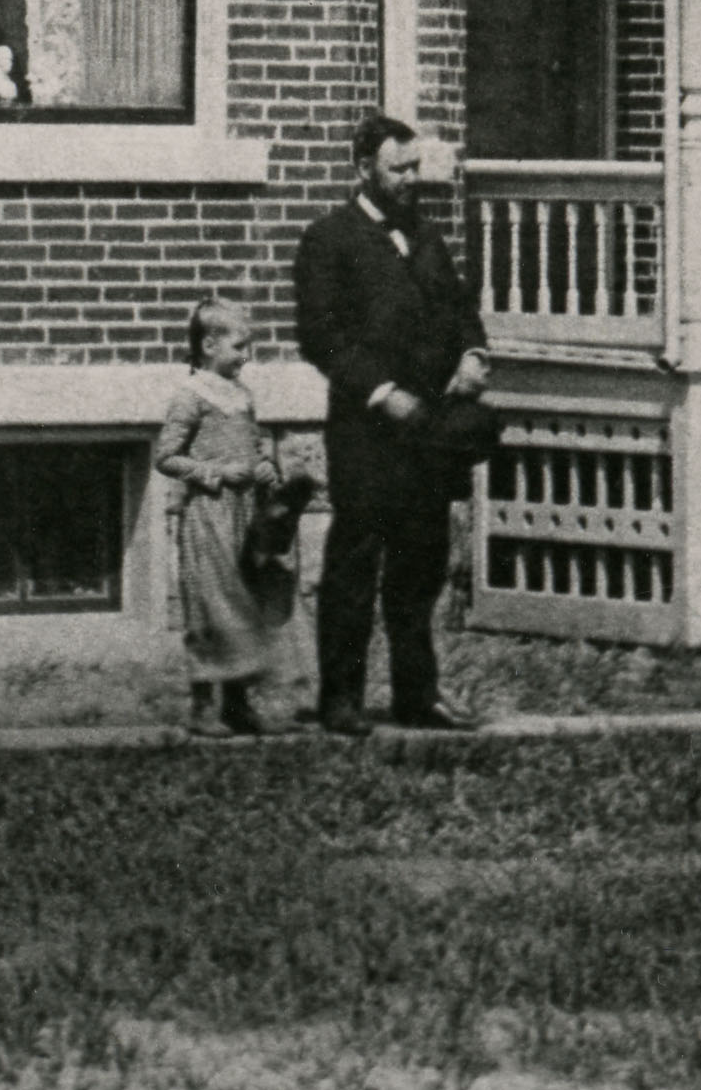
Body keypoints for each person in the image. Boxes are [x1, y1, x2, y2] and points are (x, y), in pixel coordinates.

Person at [289, 115, 496, 737]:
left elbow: (461, 311)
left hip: (429, 430)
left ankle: (417, 695)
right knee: (355, 563)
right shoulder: (329, 240)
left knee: (421, 564)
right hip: (367, 434)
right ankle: (342, 699)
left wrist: (472, 356)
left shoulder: (427, 237)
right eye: (397, 169)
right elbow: (320, 337)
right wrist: (381, 393)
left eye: (414, 168)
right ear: (363, 170)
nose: (411, 180)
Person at [152, 293, 283, 736]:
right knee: (210, 606)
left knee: (244, 603)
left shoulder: (243, 395)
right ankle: (203, 704)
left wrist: (265, 466)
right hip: (208, 514)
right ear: (209, 346)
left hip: (246, 515)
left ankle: (238, 702)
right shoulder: (192, 396)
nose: (246, 356)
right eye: (239, 346)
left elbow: (257, 444)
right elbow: (167, 457)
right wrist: (215, 472)